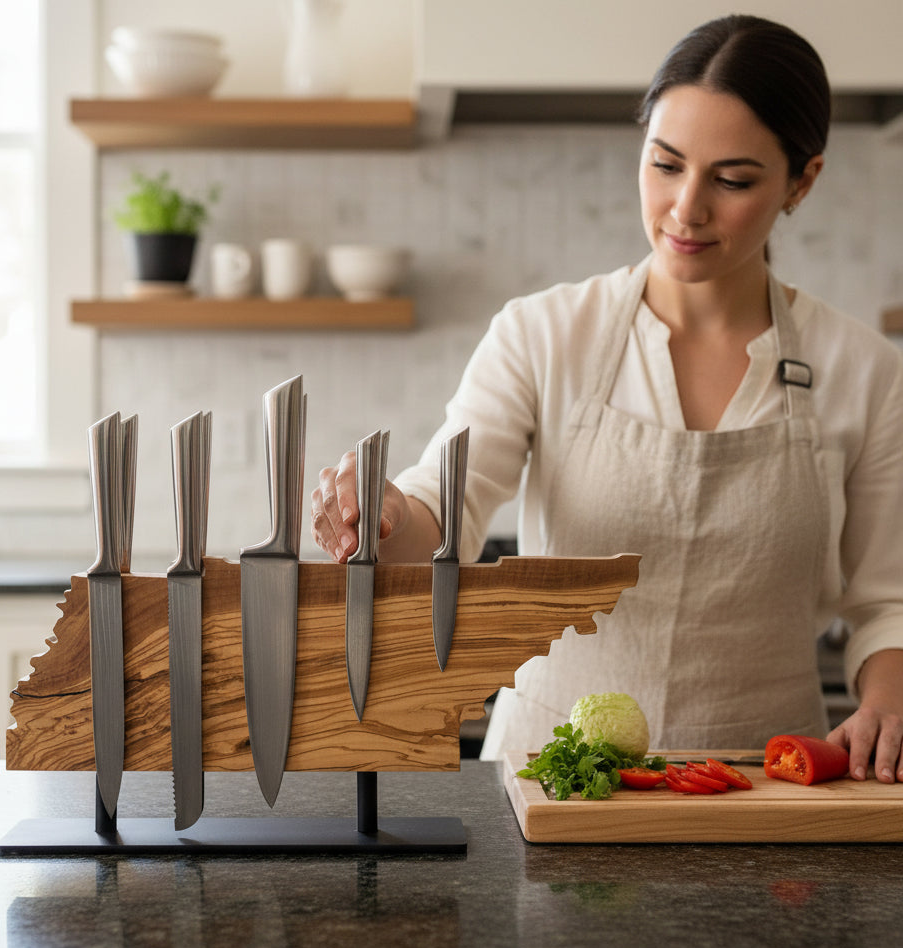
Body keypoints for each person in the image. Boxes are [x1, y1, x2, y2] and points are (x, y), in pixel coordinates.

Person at [310, 15, 903, 783]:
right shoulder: (545, 333)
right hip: (553, 783)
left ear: (802, 181)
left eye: (732, 180)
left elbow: (885, 599)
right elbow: (441, 511)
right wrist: (380, 515)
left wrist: (888, 699)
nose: (686, 208)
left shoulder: (862, 368)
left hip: (762, 788)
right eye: (665, 164)